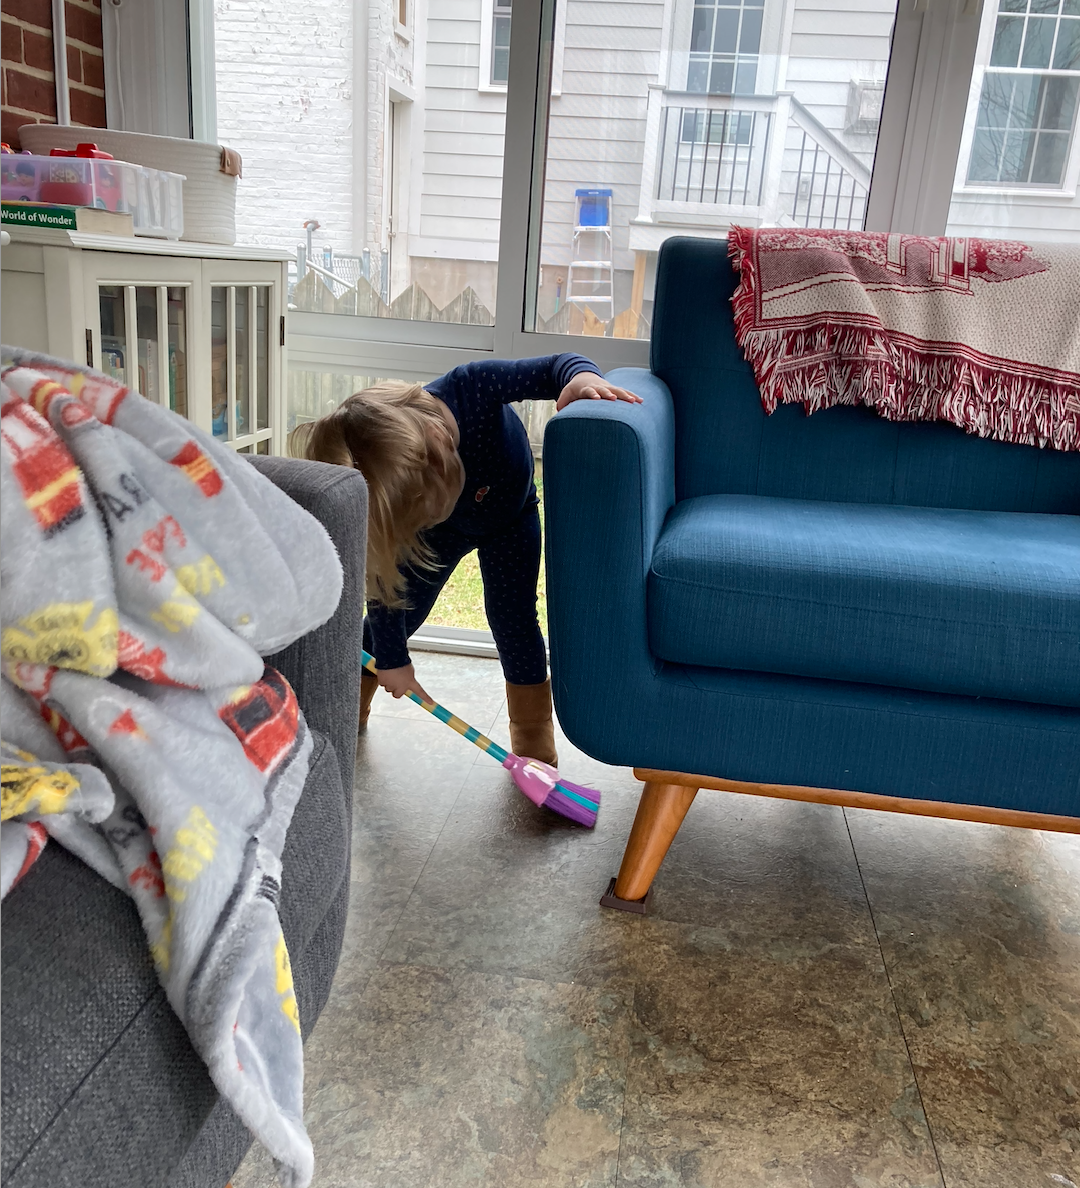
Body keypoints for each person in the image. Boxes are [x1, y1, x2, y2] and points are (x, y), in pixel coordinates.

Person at [291, 354, 640, 765]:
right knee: (406, 609)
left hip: (511, 519)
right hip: (444, 537)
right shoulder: (419, 506)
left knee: (514, 621)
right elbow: (387, 587)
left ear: (439, 441)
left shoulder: (474, 386)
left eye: (429, 509)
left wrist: (579, 378)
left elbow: (556, 367)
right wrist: (392, 661)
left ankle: (532, 734)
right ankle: (350, 703)